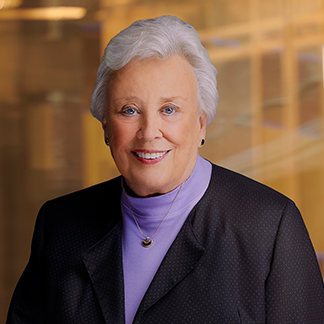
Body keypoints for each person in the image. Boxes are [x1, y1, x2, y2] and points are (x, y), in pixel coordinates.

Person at [6, 15, 324, 324]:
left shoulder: (270, 226)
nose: (149, 131)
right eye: (129, 110)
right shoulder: (61, 225)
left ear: (201, 121)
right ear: (105, 123)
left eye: (169, 109)